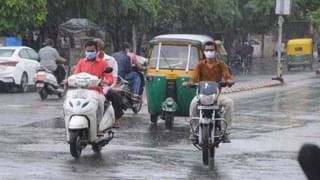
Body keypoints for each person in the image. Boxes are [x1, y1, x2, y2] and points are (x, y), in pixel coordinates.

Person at [182, 41, 234, 143]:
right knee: (193, 104)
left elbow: (228, 77)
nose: (209, 52)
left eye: (211, 50)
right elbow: (194, 78)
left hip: (216, 95)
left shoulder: (221, 65)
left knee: (229, 103)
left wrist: (229, 81)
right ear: (204, 52)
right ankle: (194, 130)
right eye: (207, 50)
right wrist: (188, 83)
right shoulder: (200, 65)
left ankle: (226, 132)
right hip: (201, 95)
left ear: (216, 51)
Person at [73, 40, 113, 132]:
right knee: (69, 103)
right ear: (85, 51)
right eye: (88, 51)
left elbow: (109, 77)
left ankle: (99, 126)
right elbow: (75, 75)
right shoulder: (81, 62)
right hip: (81, 92)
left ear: (97, 50)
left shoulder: (103, 63)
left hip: (97, 92)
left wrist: (106, 81)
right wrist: (68, 80)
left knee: (100, 104)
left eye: (92, 51)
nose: (89, 53)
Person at [95, 38, 123, 128]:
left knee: (115, 95)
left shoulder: (111, 60)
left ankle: (117, 119)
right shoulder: (87, 61)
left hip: (106, 87)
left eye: (97, 49)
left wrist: (106, 84)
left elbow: (113, 78)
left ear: (102, 49)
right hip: (92, 86)